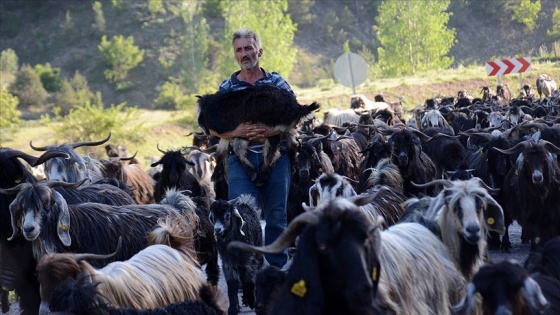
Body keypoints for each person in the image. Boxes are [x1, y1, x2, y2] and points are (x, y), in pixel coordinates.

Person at [207, 28, 293, 268]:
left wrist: (271, 131)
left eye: (248, 48)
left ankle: (275, 270)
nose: (244, 54)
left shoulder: (277, 83)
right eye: (239, 50)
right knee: (242, 217)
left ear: (259, 51)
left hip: (276, 159)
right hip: (239, 162)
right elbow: (211, 127)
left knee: (276, 217)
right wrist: (236, 133)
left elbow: (296, 117)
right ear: (234, 55)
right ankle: (250, 273)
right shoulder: (227, 88)